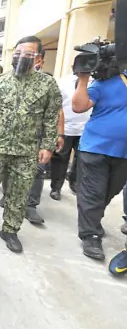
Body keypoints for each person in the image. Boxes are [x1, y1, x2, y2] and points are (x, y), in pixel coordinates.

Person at [0, 36, 61, 253]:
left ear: (39, 59)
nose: (20, 58)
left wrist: (48, 145)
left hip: (26, 151)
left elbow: (51, 117)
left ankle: (10, 229)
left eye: (27, 54)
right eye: (17, 53)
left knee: (19, 194)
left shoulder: (47, 84)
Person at [72, 68, 127, 260]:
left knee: (110, 191)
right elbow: (79, 107)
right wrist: (83, 79)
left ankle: (91, 219)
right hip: (95, 147)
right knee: (93, 193)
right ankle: (90, 235)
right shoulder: (107, 80)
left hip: (123, 153)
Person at [49, 74, 92, 198]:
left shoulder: (95, 82)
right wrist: (58, 131)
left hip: (86, 129)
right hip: (66, 128)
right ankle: (56, 188)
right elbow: (56, 106)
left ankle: (74, 182)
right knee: (60, 159)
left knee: (82, 159)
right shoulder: (64, 82)